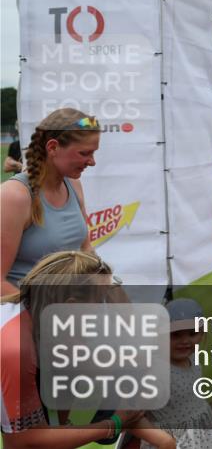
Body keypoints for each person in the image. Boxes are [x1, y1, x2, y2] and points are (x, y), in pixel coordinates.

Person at [0, 251, 154, 448]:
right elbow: (22, 443)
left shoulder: (42, 315)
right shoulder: (17, 349)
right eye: (101, 301)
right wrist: (114, 424)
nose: (105, 310)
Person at [1, 109, 100, 295]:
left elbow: (85, 247)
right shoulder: (14, 196)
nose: (92, 162)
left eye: (93, 153)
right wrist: (38, 310)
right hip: (26, 309)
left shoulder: (73, 185)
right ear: (53, 147)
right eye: (84, 153)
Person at [135, 299, 212, 449]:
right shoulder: (158, 372)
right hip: (172, 441)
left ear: (202, 333)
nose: (185, 341)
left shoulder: (192, 357)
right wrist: (161, 440)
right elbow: (132, 416)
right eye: (175, 335)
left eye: (192, 333)